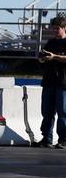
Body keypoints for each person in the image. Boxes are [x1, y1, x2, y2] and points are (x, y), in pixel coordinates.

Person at [37, 14, 66, 149]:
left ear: (64, 28)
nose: (55, 31)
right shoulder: (50, 43)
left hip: (63, 83)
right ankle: (46, 138)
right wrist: (42, 58)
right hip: (48, 81)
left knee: (63, 112)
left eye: (57, 28)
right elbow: (44, 58)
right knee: (47, 112)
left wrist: (54, 57)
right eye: (53, 29)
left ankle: (63, 140)